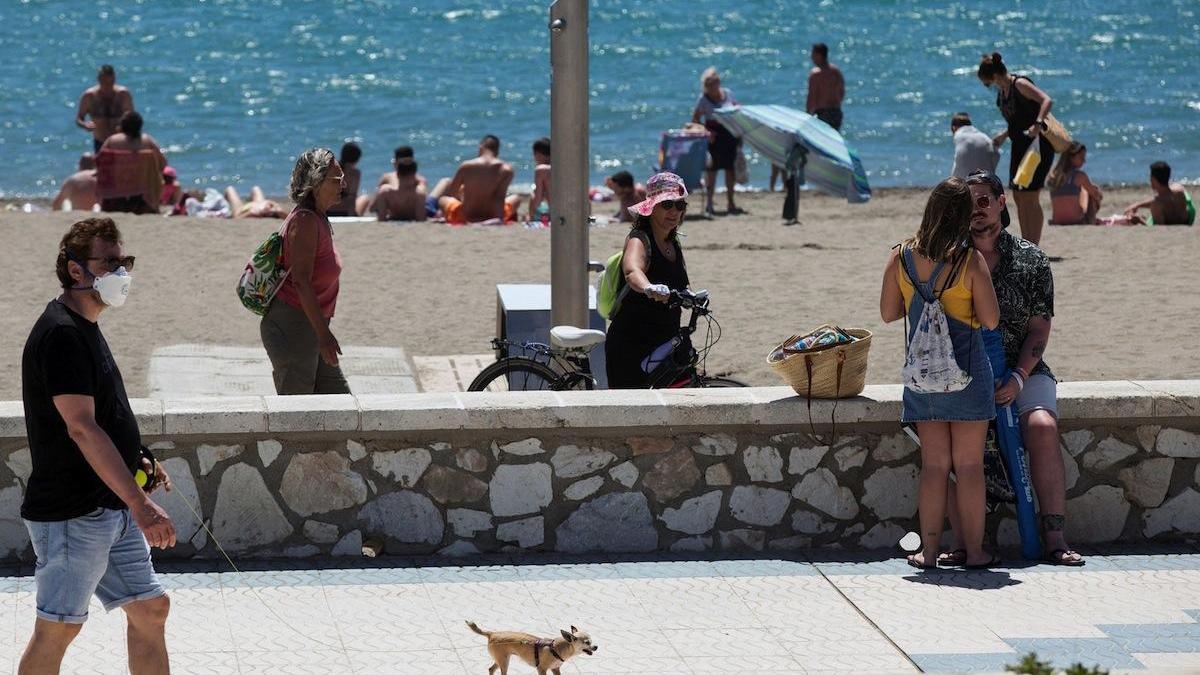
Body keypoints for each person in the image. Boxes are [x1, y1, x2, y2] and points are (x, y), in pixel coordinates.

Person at [19, 217, 175, 674]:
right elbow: (82, 428)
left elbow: (105, 415)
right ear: (75, 271)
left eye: (124, 261)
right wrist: (141, 504)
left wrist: (138, 459)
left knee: (150, 609)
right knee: (59, 626)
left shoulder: (85, 326)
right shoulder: (62, 334)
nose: (121, 272)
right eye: (109, 262)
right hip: (73, 513)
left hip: (111, 506)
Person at [938, 169, 1083, 567]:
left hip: (1025, 369)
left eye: (984, 200)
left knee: (1042, 426)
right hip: (964, 374)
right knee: (955, 445)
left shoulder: (1031, 259)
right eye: (968, 203)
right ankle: (966, 541)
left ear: (1003, 203)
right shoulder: (949, 258)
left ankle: (1054, 537)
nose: (976, 209)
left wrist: (1019, 377)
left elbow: (1040, 326)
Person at [879, 177, 1000, 570]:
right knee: (968, 467)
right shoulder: (969, 261)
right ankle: (976, 552)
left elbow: (888, 313)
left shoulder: (902, 257)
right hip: (967, 374)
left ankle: (929, 552)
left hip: (923, 377)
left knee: (934, 466)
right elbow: (991, 320)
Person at [260, 148, 350, 395]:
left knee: (340, 406)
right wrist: (324, 336)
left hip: (313, 325)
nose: (344, 183)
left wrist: (322, 332)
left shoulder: (318, 217)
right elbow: (301, 281)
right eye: (337, 178)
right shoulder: (306, 221)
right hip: (293, 328)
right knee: (297, 418)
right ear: (317, 182)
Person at [605, 173, 691, 389]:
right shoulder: (640, 238)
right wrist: (649, 288)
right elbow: (633, 271)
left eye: (679, 205)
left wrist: (691, 295)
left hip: (666, 340)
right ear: (652, 207)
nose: (674, 211)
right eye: (667, 204)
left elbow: (681, 283)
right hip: (633, 342)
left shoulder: (673, 242)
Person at [978, 52, 1055, 245]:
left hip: (1037, 146)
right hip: (1019, 147)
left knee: (1031, 195)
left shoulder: (1019, 84)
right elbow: (1016, 120)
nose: (988, 86)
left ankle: (1034, 245)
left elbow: (1046, 100)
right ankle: (1027, 242)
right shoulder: (1002, 94)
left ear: (994, 76)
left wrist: (1038, 123)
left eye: (987, 83)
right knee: (1019, 196)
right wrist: (1004, 135)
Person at [429, 135, 516, 224]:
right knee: (516, 198)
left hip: (464, 216)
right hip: (490, 216)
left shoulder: (467, 165)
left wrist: (463, 193)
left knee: (443, 199)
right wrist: (498, 218)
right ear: (497, 151)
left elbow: (452, 193)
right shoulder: (506, 169)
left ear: (481, 147)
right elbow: (499, 198)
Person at [692, 68, 743, 216]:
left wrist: (740, 132)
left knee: (730, 170)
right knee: (712, 171)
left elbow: (737, 110)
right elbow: (695, 120)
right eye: (710, 83)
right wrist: (706, 132)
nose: (713, 85)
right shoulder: (703, 99)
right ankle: (709, 203)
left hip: (730, 135)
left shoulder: (728, 93)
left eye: (715, 82)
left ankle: (731, 203)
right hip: (713, 138)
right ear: (705, 85)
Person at [95, 111, 166, 215]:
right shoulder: (147, 141)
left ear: (122, 125)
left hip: (114, 200)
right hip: (142, 200)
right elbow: (162, 164)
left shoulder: (112, 140)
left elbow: (99, 163)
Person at [75, 65, 134, 153]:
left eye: (111, 82)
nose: (108, 86)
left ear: (114, 79)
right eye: (104, 82)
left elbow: (132, 118)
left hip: (121, 142)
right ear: (99, 80)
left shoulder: (123, 95)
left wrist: (125, 125)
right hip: (100, 142)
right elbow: (79, 118)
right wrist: (85, 125)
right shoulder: (89, 96)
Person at [1047, 143, 1103, 225]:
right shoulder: (1080, 176)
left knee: (1084, 190)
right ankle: (1092, 220)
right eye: (1081, 157)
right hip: (1076, 220)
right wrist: (1098, 193)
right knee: (1091, 191)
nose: (1084, 161)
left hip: (1057, 221)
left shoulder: (1053, 176)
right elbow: (1096, 195)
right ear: (1071, 158)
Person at [1125, 161, 1194, 226]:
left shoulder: (1156, 205)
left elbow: (1158, 229)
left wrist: (1139, 220)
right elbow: (1165, 198)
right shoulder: (1180, 190)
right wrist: (1138, 205)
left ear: (1153, 179)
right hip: (1186, 222)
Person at [807, 42, 845, 131]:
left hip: (822, 113)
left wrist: (808, 114)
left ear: (819, 55)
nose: (811, 57)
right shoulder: (836, 72)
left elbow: (812, 96)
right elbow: (841, 92)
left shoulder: (816, 74)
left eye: (813, 54)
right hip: (836, 112)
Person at [950, 112, 1000, 179]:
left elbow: (958, 160)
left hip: (967, 180)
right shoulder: (983, 136)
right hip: (987, 178)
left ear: (954, 128)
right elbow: (996, 153)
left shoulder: (958, 134)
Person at [327, 142, 362, 217]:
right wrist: (352, 216)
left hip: (327, 209)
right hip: (344, 210)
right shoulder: (355, 173)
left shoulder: (331, 168)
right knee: (365, 199)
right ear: (357, 158)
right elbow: (352, 198)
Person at [527, 137, 552, 223]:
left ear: (538, 154)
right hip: (575, 211)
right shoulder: (563, 167)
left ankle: (531, 219)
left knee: (533, 193)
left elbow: (537, 201)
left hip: (556, 213)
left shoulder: (541, 170)